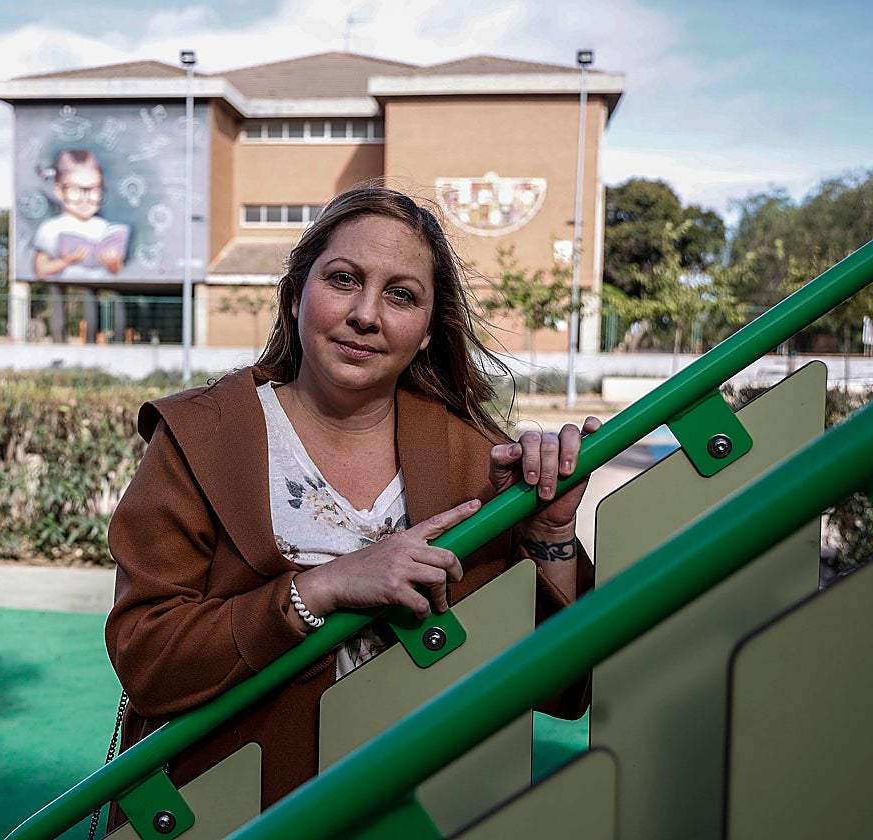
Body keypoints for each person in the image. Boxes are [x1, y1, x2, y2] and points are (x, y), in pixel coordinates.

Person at [104, 184, 600, 813]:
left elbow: (562, 691)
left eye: (401, 295)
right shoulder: (201, 437)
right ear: (294, 296)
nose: (367, 314)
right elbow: (148, 659)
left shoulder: (477, 461)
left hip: (420, 813)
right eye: (343, 279)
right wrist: (324, 588)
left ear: (424, 331)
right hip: (231, 814)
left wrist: (549, 532)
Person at [32, 149, 129, 281]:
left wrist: (113, 264)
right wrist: (66, 261)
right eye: (75, 190)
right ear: (59, 191)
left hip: (103, 290)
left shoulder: (104, 227)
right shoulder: (51, 228)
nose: (85, 198)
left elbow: (117, 271)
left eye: (93, 189)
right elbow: (41, 270)